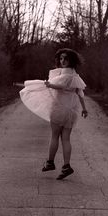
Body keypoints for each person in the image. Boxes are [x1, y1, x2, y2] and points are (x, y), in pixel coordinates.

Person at [19, 48, 88, 180]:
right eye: (61, 58)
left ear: (71, 60)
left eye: (66, 59)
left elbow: (60, 86)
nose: (63, 61)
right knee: (66, 138)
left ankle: (50, 162)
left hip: (59, 109)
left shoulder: (64, 76)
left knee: (55, 136)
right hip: (72, 111)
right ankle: (66, 166)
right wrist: (84, 109)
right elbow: (80, 94)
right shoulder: (76, 77)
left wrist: (50, 85)